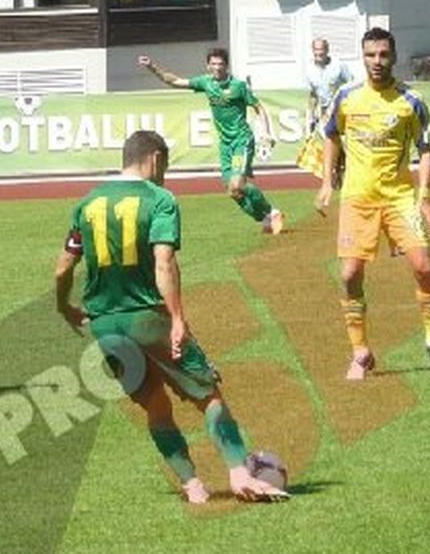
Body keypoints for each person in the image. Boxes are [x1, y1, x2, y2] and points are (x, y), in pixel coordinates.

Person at [53, 130, 289, 505]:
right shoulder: (159, 199)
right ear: (156, 158)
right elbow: (164, 262)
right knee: (209, 396)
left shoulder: (88, 203)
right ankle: (240, 474)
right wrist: (178, 318)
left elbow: (63, 268)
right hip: (148, 318)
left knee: (156, 406)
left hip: (103, 325)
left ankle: (193, 486)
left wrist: (64, 306)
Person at [315, 27, 430, 380]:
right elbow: (331, 136)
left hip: (399, 197)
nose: (377, 62)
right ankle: (360, 352)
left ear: (393, 56)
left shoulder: (411, 101)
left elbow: (425, 151)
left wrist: (424, 197)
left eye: (383, 55)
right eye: (370, 55)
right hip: (357, 198)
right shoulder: (346, 97)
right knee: (349, 274)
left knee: (423, 266)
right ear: (362, 57)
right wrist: (325, 182)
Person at [138, 49, 284, 234]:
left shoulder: (238, 86)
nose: (216, 68)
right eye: (213, 64)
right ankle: (264, 218)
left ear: (226, 66)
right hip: (225, 145)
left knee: (238, 184)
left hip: (241, 141)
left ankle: (272, 211)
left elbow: (258, 107)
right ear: (208, 66)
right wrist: (152, 67)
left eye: (220, 64)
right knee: (233, 192)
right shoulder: (206, 83)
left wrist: (266, 132)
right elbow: (173, 81)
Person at [297, 37, 352, 183]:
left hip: (341, 108)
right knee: (327, 139)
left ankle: (341, 166)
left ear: (327, 50)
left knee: (343, 141)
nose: (318, 54)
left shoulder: (339, 66)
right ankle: (333, 171)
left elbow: (351, 86)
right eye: (316, 51)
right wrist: (311, 114)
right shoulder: (309, 69)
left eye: (321, 51)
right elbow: (313, 94)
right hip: (324, 109)